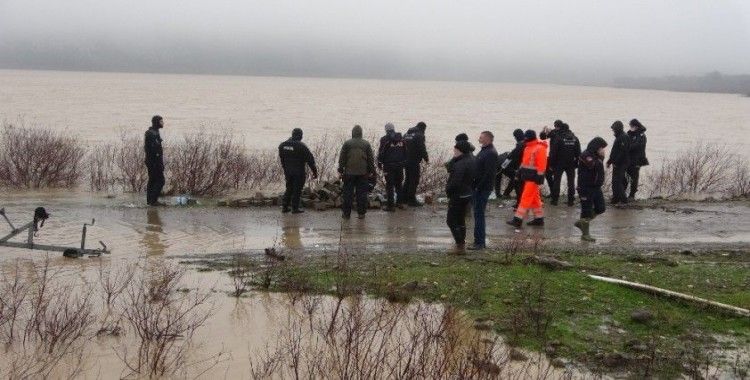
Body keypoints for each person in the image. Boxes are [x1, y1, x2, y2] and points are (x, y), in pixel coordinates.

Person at [507, 130, 548, 228]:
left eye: (526, 138)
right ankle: (539, 219)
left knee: (525, 198)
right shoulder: (528, 147)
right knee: (535, 199)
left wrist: (539, 177)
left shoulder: (540, 148)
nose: (524, 139)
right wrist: (518, 173)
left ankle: (517, 219)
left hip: (534, 178)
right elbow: (524, 163)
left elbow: (542, 165)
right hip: (527, 177)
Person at [574, 137, 608, 242]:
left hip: (596, 187)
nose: (603, 150)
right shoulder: (585, 155)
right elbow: (591, 165)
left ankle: (582, 222)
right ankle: (585, 235)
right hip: (585, 187)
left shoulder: (597, 157)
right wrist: (600, 158)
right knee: (586, 211)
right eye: (602, 148)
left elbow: (598, 167)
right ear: (596, 147)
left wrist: (601, 158)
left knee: (601, 208)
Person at [338, 125, 375, 219]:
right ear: (361, 133)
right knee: (362, 194)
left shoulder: (347, 143)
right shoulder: (366, 144)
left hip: (349, 173)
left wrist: (340, 169)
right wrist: (371, 170)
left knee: (348, 194)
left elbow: (342, 158)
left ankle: (346, 214)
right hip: (363, 173)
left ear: (352, 133)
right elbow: (370, 159)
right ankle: (361, 213)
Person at [469, 131, 499, 250]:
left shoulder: (491, 153)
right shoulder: (484, 150)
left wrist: (478, 187)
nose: (479, 139)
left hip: (482, 189)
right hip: (477, 187)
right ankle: (478, 241)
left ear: (487, 138)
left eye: (481, 137)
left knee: (479, 215)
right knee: (477, 214)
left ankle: (480, 242)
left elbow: (489, 173)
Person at [445, 140, 476, 251]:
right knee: (460, 218)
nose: (454, 151)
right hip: (467, 193)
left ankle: (459, 242)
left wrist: (448, 190)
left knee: (451, 220)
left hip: (458, 195)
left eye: (455, 149)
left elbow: (455, 182)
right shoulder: (472, 159)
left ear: (460, 150)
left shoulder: (460, 164)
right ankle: (462, 239)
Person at [278, 128, 318, 213]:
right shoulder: (301, 146)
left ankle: (284, 207)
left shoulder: (282, 145)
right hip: (299, 172)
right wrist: (315, 172)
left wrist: (285, 169)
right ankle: (295, 208)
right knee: (297, 190)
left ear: (292, 135)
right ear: (300, 136)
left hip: (288, 171)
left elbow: (282, 159)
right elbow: (311, 160)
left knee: (289, 188)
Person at [548, 122, 581, 206]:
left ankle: (555, 200)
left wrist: (551, 164)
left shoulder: (558, 138)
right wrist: (576, 163)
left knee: (557, 181)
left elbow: (553, 153)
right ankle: (571, 201)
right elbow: (578, 153)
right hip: (571, 163)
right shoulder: (575, 138)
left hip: (559, 163)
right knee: (571, 182)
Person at [378, 129, 408, 211]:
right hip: (400, 166)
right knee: (399, 184)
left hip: (389, 166)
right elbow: (406, 152)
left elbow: (382, 152)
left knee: (389, 185)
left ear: (386, 130)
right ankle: (400, 203)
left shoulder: (384, 139)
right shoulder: (402, 140)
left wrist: (379, 163)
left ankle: (390, 206)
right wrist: (404, 163)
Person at [403, 121, 428, 206]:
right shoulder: (419, 135)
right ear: (423, 128)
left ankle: (404, 198)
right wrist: (426, 159)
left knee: (407, 180)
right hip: (414, 161)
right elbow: (422, 148)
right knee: (414, 180)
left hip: (405, 161)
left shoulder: (406, 134)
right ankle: (411, 200)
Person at [606, 121, 630, 204]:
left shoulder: (623, 137)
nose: (613, 131)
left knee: (617, 182)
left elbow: (622, 152)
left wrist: (615, 162)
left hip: (621, 163)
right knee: (616, 181)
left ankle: (623, 200)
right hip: (618, 163)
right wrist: (610, 161)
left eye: (614, 129)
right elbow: (615, 152)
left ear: (618, 129)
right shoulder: (620, 136)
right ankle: (615, 198)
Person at [501, 129, 526, 209]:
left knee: (518, 186)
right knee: (522, 186)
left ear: (516, 137)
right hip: (527, 167)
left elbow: (513, 156)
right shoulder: (526, 142)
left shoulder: (520, 144)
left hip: (519, 168)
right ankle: (521, 201)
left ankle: (519, 204)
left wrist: (506, 162)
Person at [144, 115, 165, 206]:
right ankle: (153, 201)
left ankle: (150, 201)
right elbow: (154, 150)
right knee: (160, 181)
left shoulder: (152, 132)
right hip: (154, 162)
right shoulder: (153, 134)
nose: (163, 123)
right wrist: (159, 163)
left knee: (152, 180)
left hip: (150, 161)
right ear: (157, 122)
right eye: (161, 121)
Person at [625, 118, 648, 200]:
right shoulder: (630, 134)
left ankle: (632, 195)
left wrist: (627, 147)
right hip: (629, 159)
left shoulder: (641, 135)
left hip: (637, 160)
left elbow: (637, 146)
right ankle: (623, 194)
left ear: (636, 126)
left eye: (631, 126)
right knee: (626, 176)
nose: (630, 127)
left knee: (634, 178)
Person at [540, 120, 563, 193]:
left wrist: (549, 132)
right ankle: (553, 192)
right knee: (549, 175)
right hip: (553, 156)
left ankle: (555, 193)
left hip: (557, 157)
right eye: (555, 126)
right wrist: (543, 131)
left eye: (556, 126)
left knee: (554, 176)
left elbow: (545, 138)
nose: (556, 127)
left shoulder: (559, 133)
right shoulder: (554, 132)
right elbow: (543, 137)